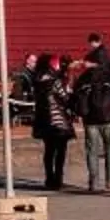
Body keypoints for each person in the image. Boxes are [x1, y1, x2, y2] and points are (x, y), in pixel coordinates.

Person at [70, 55, 110, 192]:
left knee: (92, 151)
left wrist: (79, 113)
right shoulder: (109, 77)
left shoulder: (83, 78)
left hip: (90, 120)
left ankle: (94, 182)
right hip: (108, 118)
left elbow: (75, 97)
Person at [23, 54, 75, 191]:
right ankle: (58, 179)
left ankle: (49, 178)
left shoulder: (37, 81)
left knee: (49, 151)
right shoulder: (55, 81)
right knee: (60, 151)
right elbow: (65, 99)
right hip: (58, 120)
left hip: (43, 120)